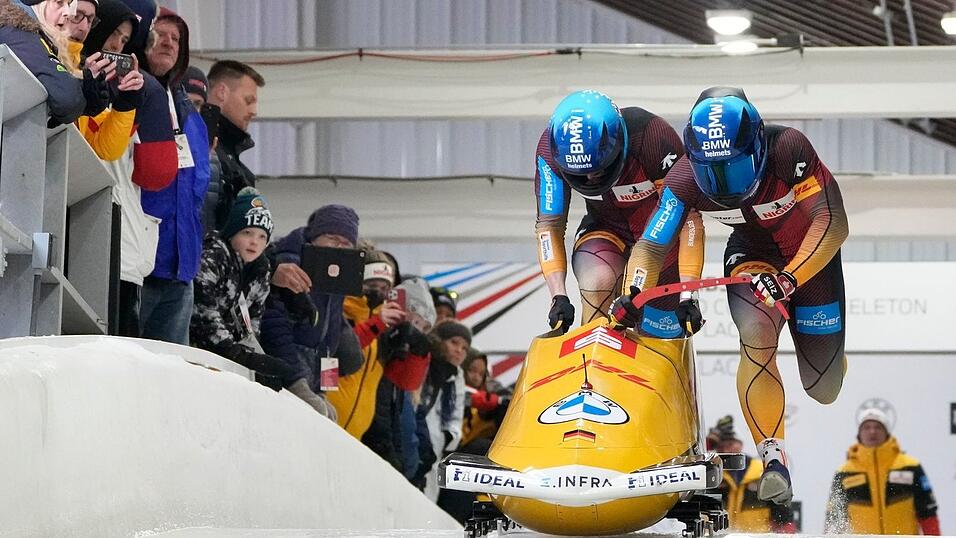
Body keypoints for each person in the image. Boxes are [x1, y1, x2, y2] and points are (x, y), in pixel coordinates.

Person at [617, 86, 850, 504]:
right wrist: (633, 290)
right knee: (756, 332)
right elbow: (652, 246)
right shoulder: (685, 179)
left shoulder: (789, 149)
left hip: (810, 261)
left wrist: (792, 278)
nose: (724, 182)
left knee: (823, 387)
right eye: (713, 171)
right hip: (752, 256)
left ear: (756, 146)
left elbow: (831, 223)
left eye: (735, 168)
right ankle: (773, 457)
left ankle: (829, 356)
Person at [535, 90, 703, 337]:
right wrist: (558, 295)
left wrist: (689, 293)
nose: (590, 178)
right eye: (580, 174)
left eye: (598, 169)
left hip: (662, 244)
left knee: (657, 336)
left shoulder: (652, 137)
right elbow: (549, 224)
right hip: (605, 231)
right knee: (596, 283)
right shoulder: (549, 152)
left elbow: (689, 219)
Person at [189, 188, 334, 418]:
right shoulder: (214, 255)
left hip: (224, 358)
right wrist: (235, 353)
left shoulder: (260, 270)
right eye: (247, 232)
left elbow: (251, 324)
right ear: (232, 231)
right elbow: (202, 308)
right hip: (198, 353)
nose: (254, 242)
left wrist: (254, 358)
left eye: (262, 237)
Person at [137, 8, 211, 345]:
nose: (169, 43)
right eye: (160, 34)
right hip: (139, 266)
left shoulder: (192, 118)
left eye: (176, 39)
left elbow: (197, 195)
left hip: (180, 273)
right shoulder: (127, 94)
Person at [259, 204, 365, 401]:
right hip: (284, 375)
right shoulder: (289, 264)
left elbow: (330, 336)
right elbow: (274, 326)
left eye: (346, 243)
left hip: (311, 375)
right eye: (333, 239)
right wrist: (295, 383)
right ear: (315, 236)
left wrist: (324, 389)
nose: (339, 247)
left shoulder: (337, 274)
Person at [327, 248, 406, 437]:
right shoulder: (338, 310)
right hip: (326, 417)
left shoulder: (386, 327)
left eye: (384, 287)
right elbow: (337, 353)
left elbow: (404, 381)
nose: (378, 292)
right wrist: (376, 323)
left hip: (357, 432)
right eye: (372, 284)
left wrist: (419, 352)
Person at [824, 408, 940, 535]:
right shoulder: (844, 472)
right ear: (859, 433)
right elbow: (834, 522)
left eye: (878, 427)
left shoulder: (910, 466)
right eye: (866, 427)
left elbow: (928, 515)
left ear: (887, 432)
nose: (872, 432)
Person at [0, 0, 85, 124]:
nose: (68, 13)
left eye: (68, 4)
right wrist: (84, 96)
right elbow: (66, 99)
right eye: (59, 2)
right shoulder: (16, 30)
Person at [708, 416, 795, 533]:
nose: (725, 449)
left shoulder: (762, 473)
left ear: (740, 444)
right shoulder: (712, 476)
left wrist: (788, 533)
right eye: (720, 446)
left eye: (729, 444)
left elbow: (783, 516)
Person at [414, 320, 470, 501]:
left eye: (464, 348)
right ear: (440, 341)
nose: (459, 350)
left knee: (428, 497)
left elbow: (456, 413)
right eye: (454, 342)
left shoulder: (457, 376)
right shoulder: (424, 360)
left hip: (437, 447)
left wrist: (448, 437)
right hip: (414, 435)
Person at [206, 60, 264, 231]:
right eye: (248, 100)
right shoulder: (206, 149)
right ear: (222, 92)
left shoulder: (231, 159)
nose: (254, 111)